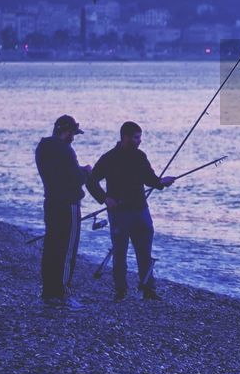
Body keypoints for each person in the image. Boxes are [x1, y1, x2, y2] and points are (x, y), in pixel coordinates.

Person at [87, 121, 175, 301]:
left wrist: (161, 182)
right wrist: (105, 198)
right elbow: (91, 181)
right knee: (119, 252)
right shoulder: (109, 158)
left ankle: (147, 288)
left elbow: (151, 180)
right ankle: (120, 290)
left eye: (140, 137)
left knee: (144, 252)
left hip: (141, 210)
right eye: (136, 137)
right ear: (125, 137)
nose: (139, 141)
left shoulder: (140, 156)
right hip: (119, 213)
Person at [35, 114, 91, 309]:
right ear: (65, 131)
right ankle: (63, 293)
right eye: (72, 133)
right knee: (67, 250)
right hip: (69, 205)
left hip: (50, 203)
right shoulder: (66, 151)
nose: (73, 137)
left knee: (51, 248)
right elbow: (76, 178)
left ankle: (48, 292)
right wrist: (85, 171)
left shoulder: (42, 148)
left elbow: (57, 174)